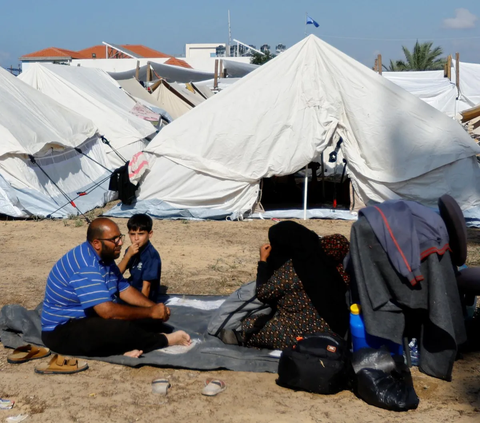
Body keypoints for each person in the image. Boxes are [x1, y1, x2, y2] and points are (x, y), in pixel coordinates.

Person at [41, 218, 190, 358]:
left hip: (90, 316)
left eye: (120, 237)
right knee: (118, 329)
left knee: (147, 319)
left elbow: (123, 288)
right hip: (61, 330)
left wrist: (154, 308)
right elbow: (107, 312)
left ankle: (122, 346)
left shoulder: (105, 256)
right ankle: (165, 340)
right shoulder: (85, 266)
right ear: (97, 243)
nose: (120, 243)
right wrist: (151, 312)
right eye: (115, 240)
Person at [242, 221, 350, 350]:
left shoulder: (292, 269)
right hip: (338, 332)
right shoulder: (326, 261)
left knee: (249, 324)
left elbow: (263, 293)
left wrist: (263, 261)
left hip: (307, 334)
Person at [117, 214, 161, 302]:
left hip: (142, 297)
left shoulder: (151, 256)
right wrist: (127, 256)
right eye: (133, 234)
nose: (136, 238)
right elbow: (116, 274)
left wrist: (142, 309)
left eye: (141, 234)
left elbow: (147, 287)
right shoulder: (130, 250)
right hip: (131, 290)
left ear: (150, 234)